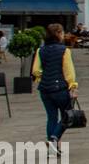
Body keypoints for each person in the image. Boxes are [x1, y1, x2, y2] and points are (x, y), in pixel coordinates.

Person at [32, 23, 77, 154]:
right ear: (58, 34)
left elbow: (35, 70)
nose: (63, 35)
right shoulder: (64, 50)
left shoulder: (41, 50)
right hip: (60, 89)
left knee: (51, 117)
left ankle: (53, 148)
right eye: (62, 33)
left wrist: (42, 77)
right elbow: (69, 72)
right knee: (66, 116)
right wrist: (72, 85)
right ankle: (54, 138)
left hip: (45, 89)